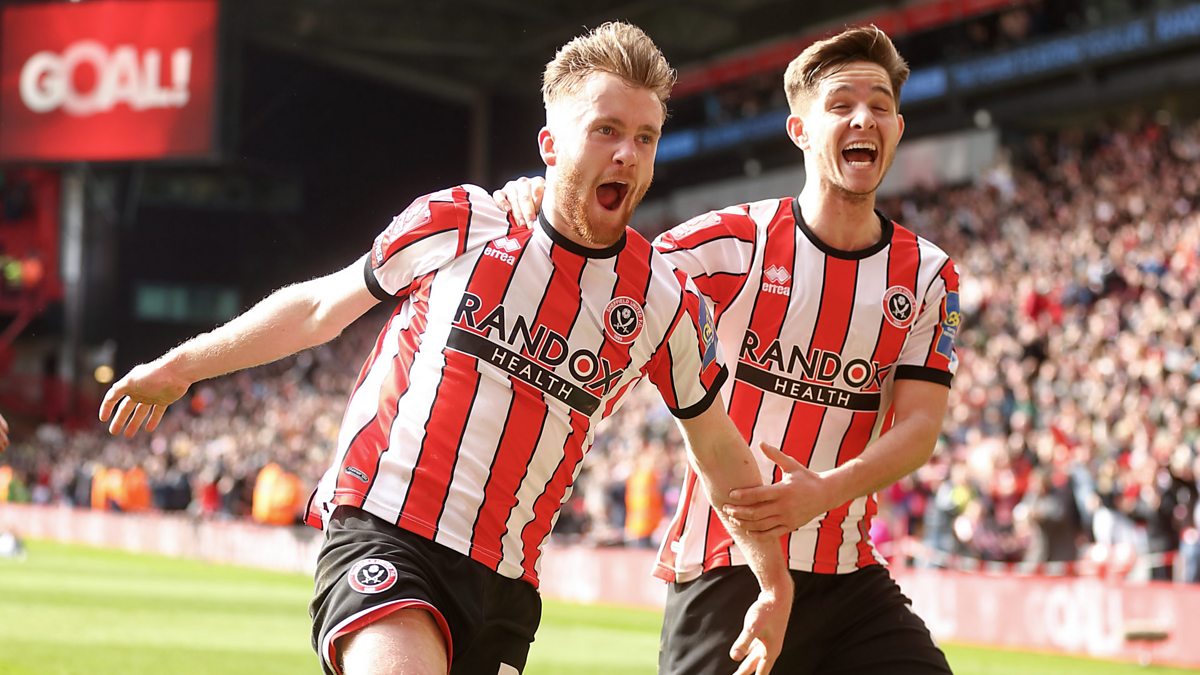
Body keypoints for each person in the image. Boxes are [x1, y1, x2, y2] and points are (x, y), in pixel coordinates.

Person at [98, 22, 791, 675]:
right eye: (605, 130)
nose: (627, 154)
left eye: (645, 137)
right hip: (387, 529)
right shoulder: (465, 221)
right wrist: (181, 366)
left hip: (505, 583)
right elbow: (319, 308)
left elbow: (718, 448)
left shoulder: (664, 302)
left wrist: (772, 578)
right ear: (550, 145)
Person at [495, 24, 960, 674]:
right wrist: (544, 196)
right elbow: (605, 268)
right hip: (723, 570)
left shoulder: (928, 274)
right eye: (842, 104)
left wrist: (823, 492)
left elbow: (919, 425)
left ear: (899, 128)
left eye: (880, 104)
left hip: (849, 575)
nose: (865, 117)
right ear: (799, 130)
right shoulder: (729, 244)